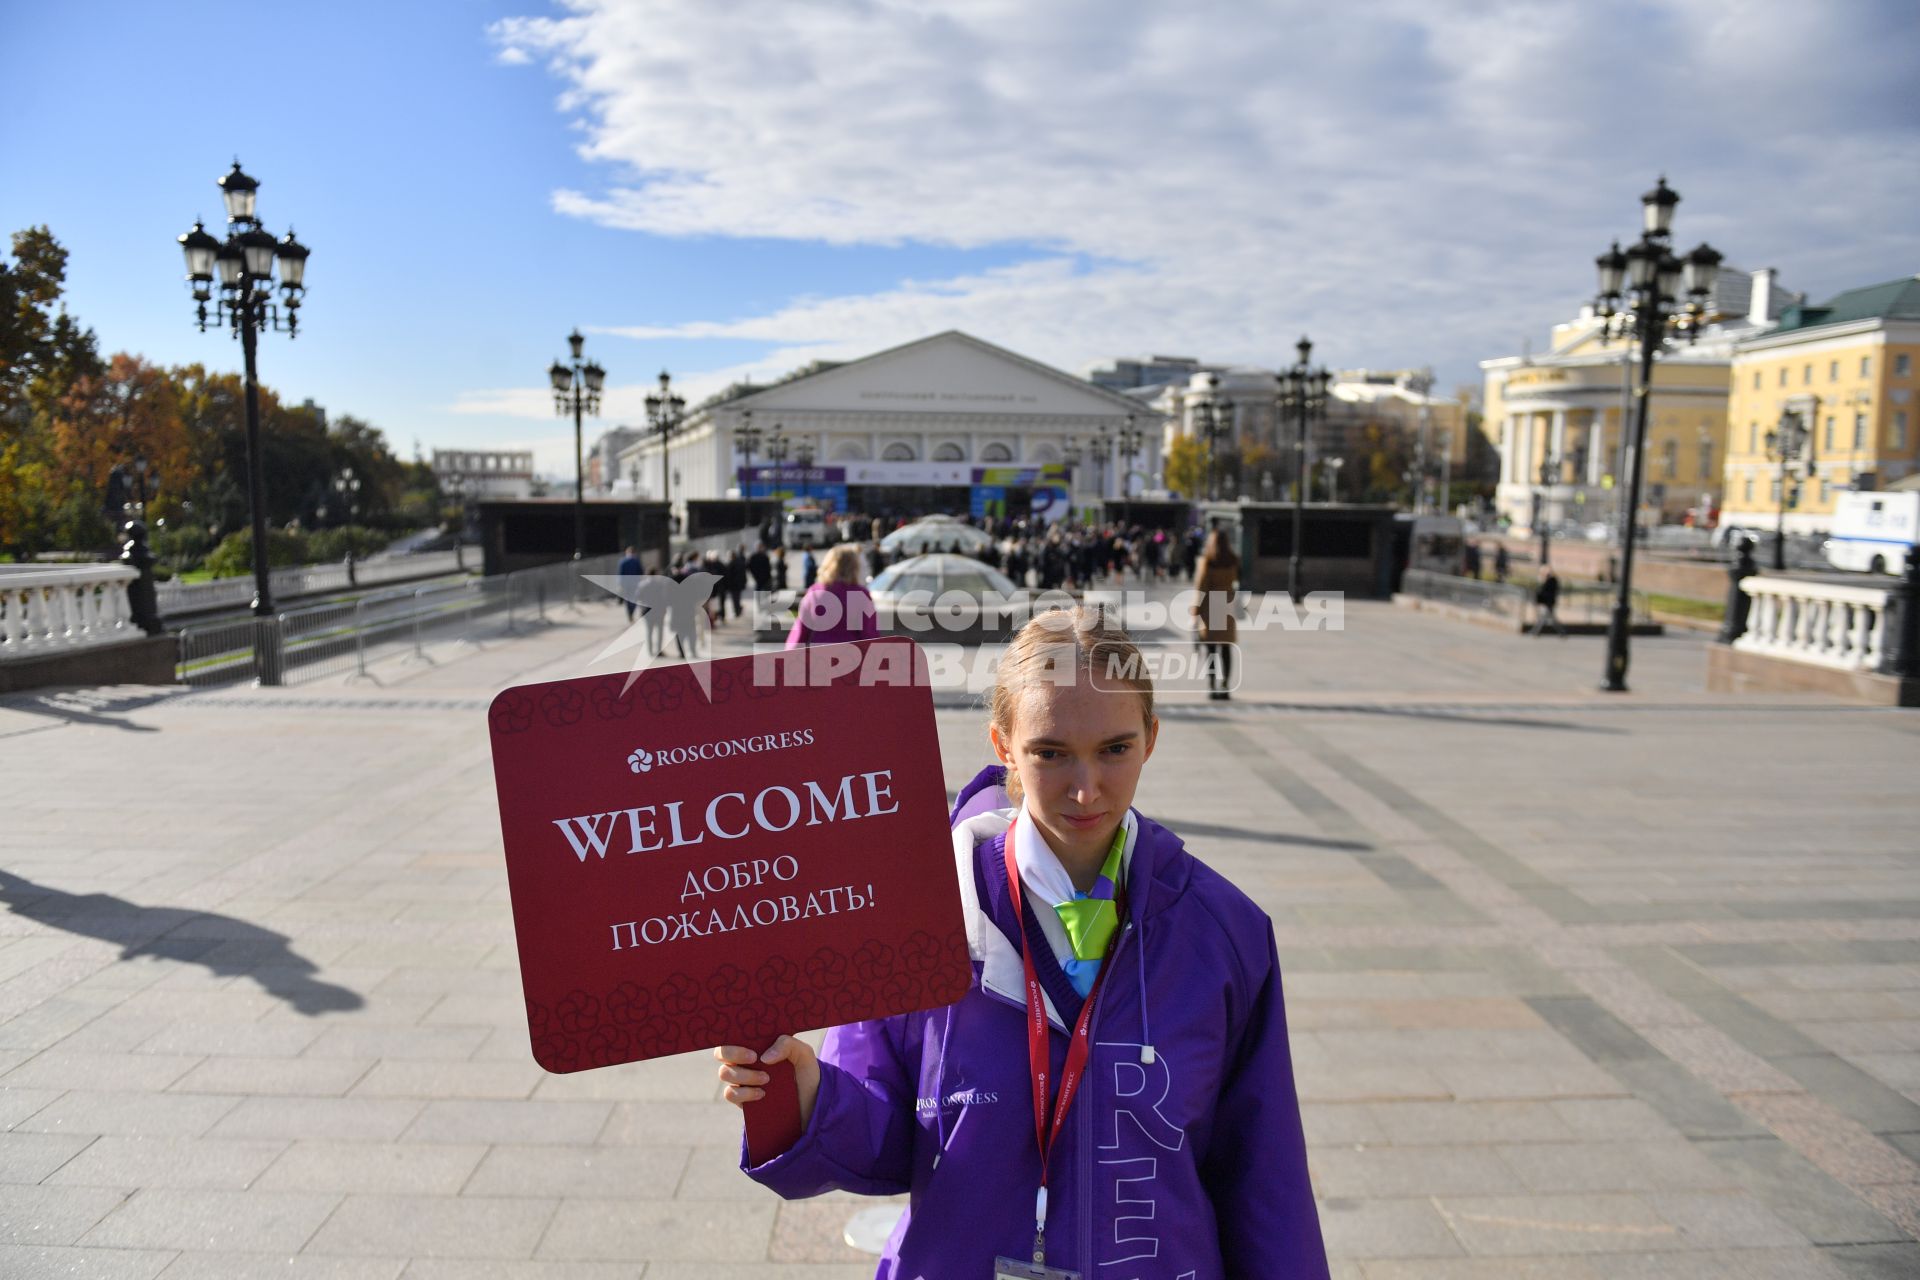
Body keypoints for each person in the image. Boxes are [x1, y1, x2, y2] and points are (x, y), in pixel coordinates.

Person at [717, 607, 1328, 1279]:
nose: (1085, 786)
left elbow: (1264, 1181)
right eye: (1050, 752)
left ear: (1151, 738)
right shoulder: (918, 919)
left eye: (1114, 749)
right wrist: (807, 1097)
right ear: (1004, 743)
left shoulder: (1223, 933)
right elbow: (888, 1143)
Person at [783, 542, 882, 648]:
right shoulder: (860, 594)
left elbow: (800, 632)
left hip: (819, 655)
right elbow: (869, 632)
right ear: (854, 567)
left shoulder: (815, 592)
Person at [1192, 527, 1239, 701]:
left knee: (1211, 649)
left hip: (1210, 606)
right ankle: (1225, 685)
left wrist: (1195, 609)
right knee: (1226, 647)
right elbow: (1236, 580)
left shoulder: (1208, 561)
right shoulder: (1233, 560)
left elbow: (1201, 586)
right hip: (1226, 604)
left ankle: (1212, 686)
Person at [1530, 564, 1566, 637]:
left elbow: (1546, 591)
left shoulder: (1551, 580)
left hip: (1549, 602)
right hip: (1548, 601)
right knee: (1548, 618)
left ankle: (1536, 631)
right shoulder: (1550, 580)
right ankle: (1535, 631)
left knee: (1547, 618)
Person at [615, 545, 643, 622]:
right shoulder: (636, 561)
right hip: (635, 583)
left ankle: (629, 614)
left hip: (626, 584)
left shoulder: (623, 562)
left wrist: (620, 584)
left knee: (628, 600)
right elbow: (641, 572)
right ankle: (632, 612)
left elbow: (620, 574)